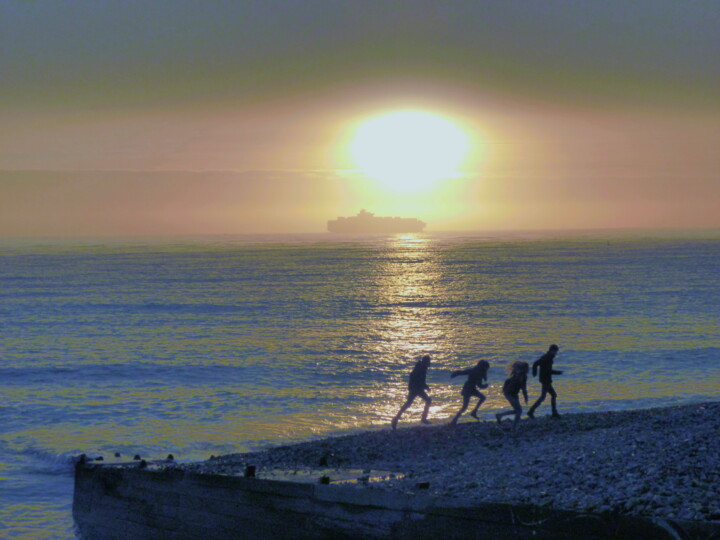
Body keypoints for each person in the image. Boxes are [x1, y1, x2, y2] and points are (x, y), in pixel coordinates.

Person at [391, 355, 432, 429]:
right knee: (427, 400)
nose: (430, 363)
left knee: (408, 404)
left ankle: (396, 419)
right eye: (429, 361)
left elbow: (419, 379)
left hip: (416, 388)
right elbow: (416, 378)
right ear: (426, 362)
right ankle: (423, 419)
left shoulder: (421, 367)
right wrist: (424, 387)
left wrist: (425, 386)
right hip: (416, 389)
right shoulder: (421, 368)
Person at [449, 360, 490, 425]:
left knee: (482, 398)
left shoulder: (480, 372)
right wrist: (485, 386)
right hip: (467, 389)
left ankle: (474, 412)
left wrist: (457, 373)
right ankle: (454, 421)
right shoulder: (475, 371)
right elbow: (479, 385)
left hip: (472, 389)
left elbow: (479, 384)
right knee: (464, 407)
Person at [527, 344, 562, 419]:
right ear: (552, 351)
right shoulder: (547, 358)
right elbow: (546, 370)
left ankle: (553, 412)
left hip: (545, 379)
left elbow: (536, 364)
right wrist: (557, 373)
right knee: (545, 397)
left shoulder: (547, 357)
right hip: (545, 380)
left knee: (552, 395)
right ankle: (531, 411)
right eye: (555, 351)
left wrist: (535, 372)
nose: (556, 353)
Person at [495, 361, 529, 431]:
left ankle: (500, 415)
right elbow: (523, 388)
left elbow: (523, 388)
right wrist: (526, 397)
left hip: (514, 393)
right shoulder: (520, 376)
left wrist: (525, 396)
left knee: (517, 410)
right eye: (527, 368)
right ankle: (513, 428)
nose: (528, 370)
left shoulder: (521, 376)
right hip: (509, 393)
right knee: (518, 411)